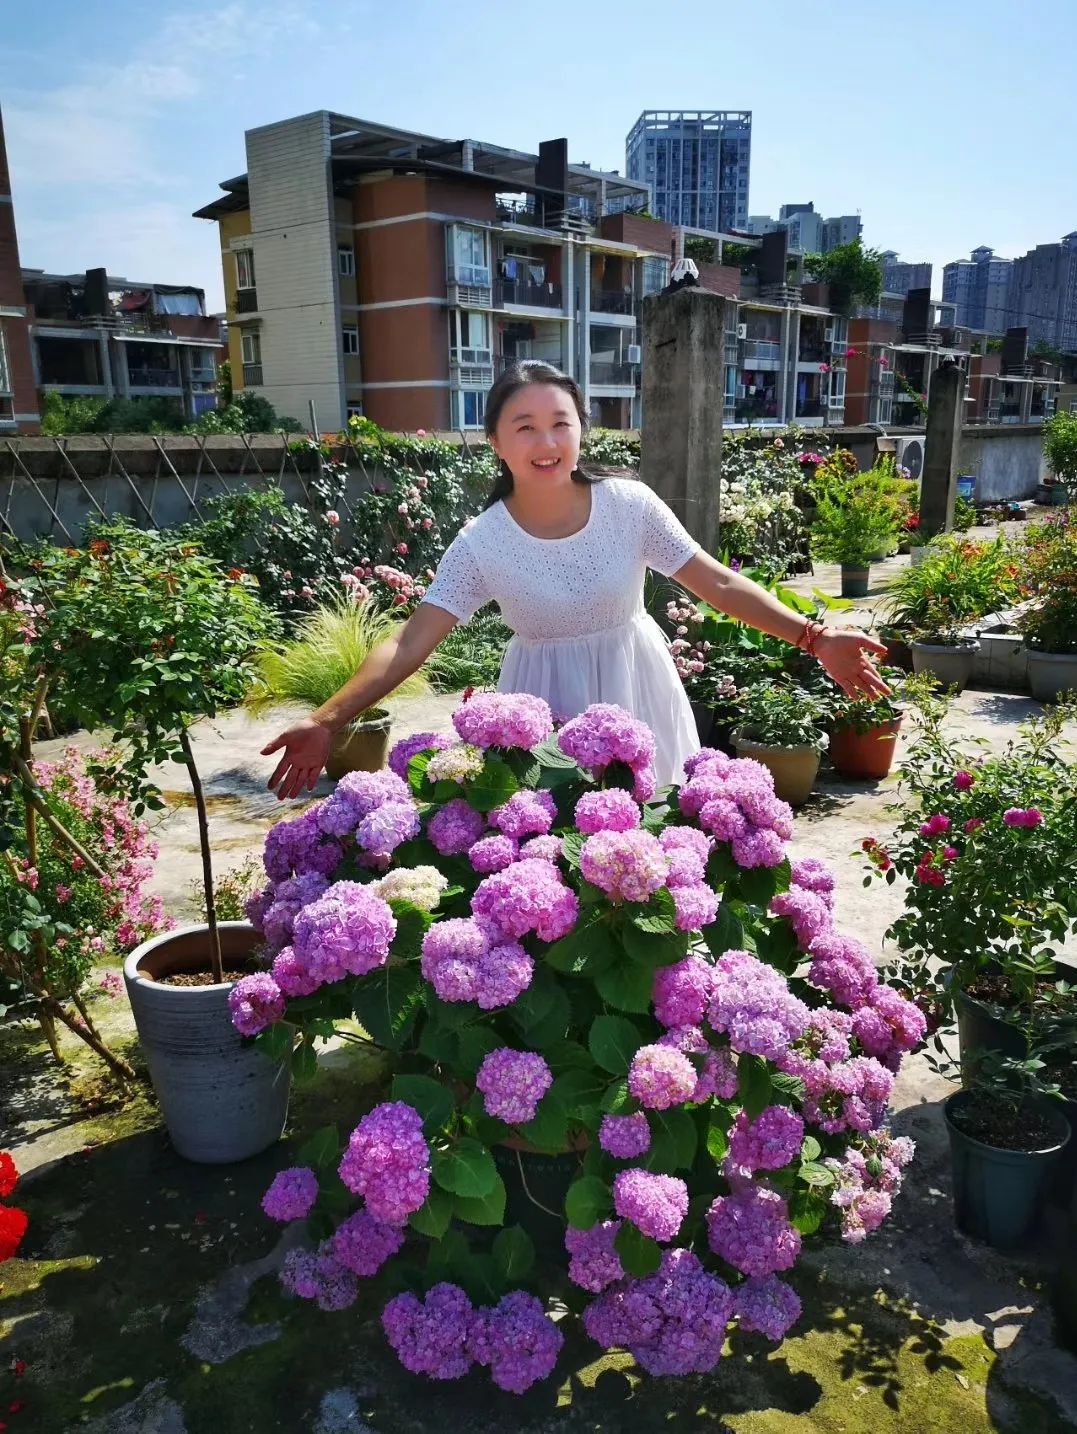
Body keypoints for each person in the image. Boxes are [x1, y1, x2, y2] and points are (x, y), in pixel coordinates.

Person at [264, 361, 889, 801]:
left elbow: (719, 584)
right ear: (495, 444)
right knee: (556, 861)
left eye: (561, 422)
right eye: (525, 426)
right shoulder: (481, 542)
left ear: (582, 430)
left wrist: (815, 637)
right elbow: (409, 640)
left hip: (638, 688)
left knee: (655, 842)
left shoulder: (629, 505)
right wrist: (330, 718)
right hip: (543, 709)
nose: (547, 440)